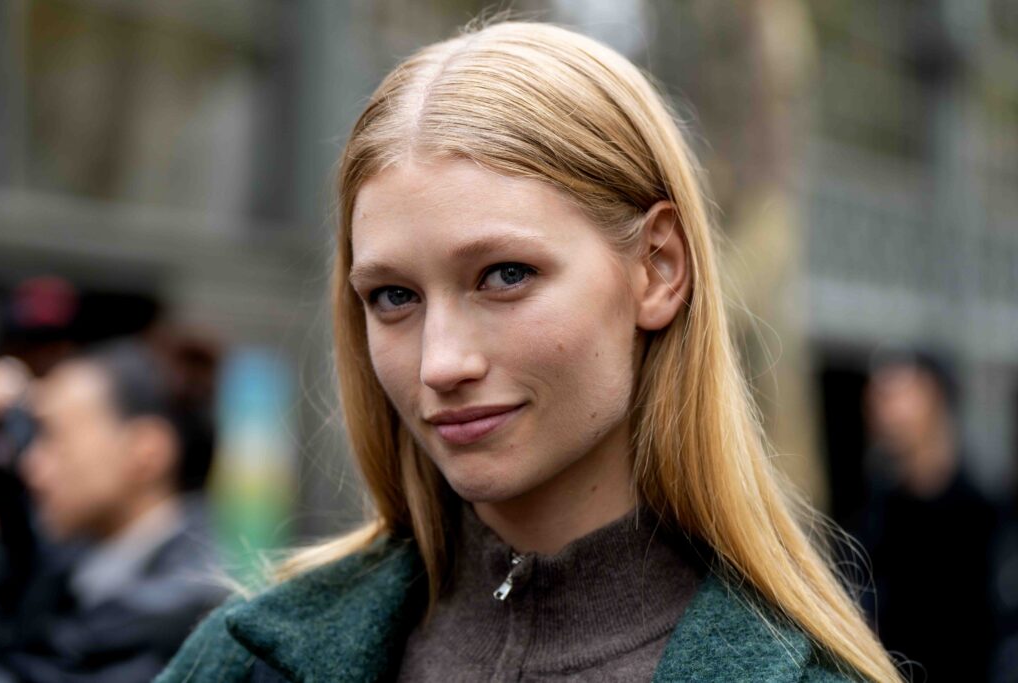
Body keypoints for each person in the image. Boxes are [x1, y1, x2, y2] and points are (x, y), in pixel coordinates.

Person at [156, 20, 901, 682]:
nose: (440, 364)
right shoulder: (246, 657)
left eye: (505, 276)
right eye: (393, 296)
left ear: (658, 268)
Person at [0, 339, 225, 682]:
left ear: (146, 451)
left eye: (53, 436)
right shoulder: (79, 567)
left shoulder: (185, 613)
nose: (31, 466)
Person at [856, 350, 998, 682]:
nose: (882, 411)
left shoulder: (984, 516)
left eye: (897, 395)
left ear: (934, 398)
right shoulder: (876, 514)